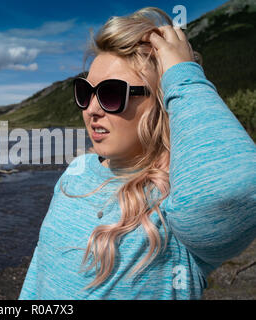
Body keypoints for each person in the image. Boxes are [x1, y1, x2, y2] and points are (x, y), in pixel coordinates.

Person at [18, 7, 256, 300]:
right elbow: (40, 265)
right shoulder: (76, 171)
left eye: (111, 94)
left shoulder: (175, 198)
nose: (91, 109)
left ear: (160, 103)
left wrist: (182, 75)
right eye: (85, 92)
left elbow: (239, 187)